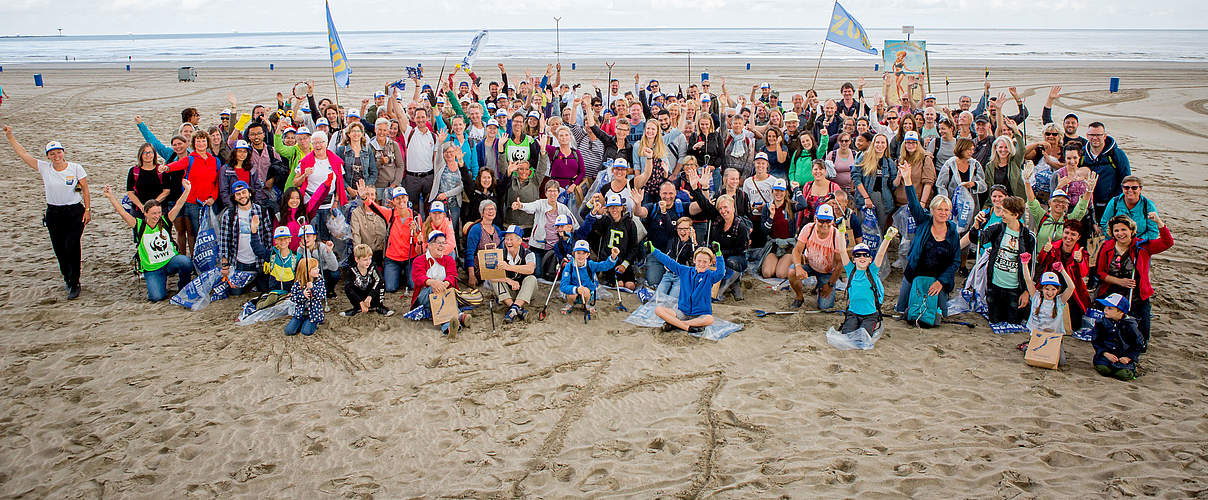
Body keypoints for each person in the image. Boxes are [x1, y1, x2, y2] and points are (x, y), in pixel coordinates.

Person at [4, 126, 91, 299]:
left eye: (58, 152)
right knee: (59, 248)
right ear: (48, 156)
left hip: (74, 212)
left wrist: (87, 210)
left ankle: (75, 282)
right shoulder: (45, 168)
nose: (56, 156)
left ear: (63, 152)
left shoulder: (75, 168)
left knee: (72, 245)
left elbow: (85, 189)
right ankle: (67, 277)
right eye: (52, 154)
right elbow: (23, 154)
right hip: (54, 213)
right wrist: (10, 136)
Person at [101, 181, 194, 302]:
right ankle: (159, 280)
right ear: (145, 213)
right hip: (152, 267)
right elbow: (122, 212)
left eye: (159, 213)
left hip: (169, 261)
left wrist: (187, 190)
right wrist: (110, 197)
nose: (157, 216)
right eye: (153, 213)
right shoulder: (139, 225)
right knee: (156, 297)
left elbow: (178, 205)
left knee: (186, 262)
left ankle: (183, 287)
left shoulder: (165, 221)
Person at [1096, 213, 1172, 344]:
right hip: (1112, 293)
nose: (1120, 234)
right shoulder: (1107, 247)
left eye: (1124, 229)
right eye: (1116, 230)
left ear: (1131, 230)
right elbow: (1100, 272)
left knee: (1140, 339)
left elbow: (1167, 242)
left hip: (1137, 295)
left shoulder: (1142, 246)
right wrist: (1119, 281)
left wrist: (1159, 222)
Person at [895, 166, 960, 318]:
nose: (943, 213)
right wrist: (908, 179)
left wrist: (941, 282)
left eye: (946, 210)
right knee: (901, 310)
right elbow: (913, 204)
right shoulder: (923, 222)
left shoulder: (952, 232)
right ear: (932, 210)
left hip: (937, 277)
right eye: (940, 209)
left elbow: (955, 262)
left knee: (941, 314)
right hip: (915, 273)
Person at [972, 196, 1034, 325]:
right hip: (995, 286)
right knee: (994, 321)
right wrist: (976, 226)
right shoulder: (997, 228)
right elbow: (978, 240)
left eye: (1005, 212)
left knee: (1013, 323)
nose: (1001, 214)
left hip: (1014, 289)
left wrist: (1026, 291)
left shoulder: (1028, 237)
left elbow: (1031, 267)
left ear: (1016, 215)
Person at [646, 241, 725, 334]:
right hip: (682, 312)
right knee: (658, 309)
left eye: (705, 262)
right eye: (699, 261)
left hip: (699, 315)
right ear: (694, 260)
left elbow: (720, 273)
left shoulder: (710, 276)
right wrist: (654, 250)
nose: (701, 264)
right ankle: (687, 327)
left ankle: (677, 324)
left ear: (710, 263)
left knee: (710, 319)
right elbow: (669, 261)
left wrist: (719, 254)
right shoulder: (685, 271)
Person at [165, 131, 222, 255]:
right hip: (193, 203)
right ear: (194, 144)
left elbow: (217, 183)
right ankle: (197, 260)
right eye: (198, 141)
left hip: (210, 203)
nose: (201, 144)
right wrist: (166, 168)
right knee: (197, 234)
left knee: (212, 233)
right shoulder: (190, 159)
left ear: (207, 143)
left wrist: (213, 197)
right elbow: (177, 165)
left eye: (203, 141)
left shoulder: (215, 161)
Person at [217, 180, 273, 294]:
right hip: (239, 262)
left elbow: (268, 236)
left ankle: (255, 284)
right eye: (238, 194)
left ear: (250, 193)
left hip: (259, 262)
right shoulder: (229, 215)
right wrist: (225, 264)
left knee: (265, 290)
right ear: (234, 197)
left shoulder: (261, 211)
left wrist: (269, 258)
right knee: (235, 293)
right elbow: (224, 241)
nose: (242, 196)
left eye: (244, 192)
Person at [1035, 220, 1092, 330]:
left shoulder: (1081, 253)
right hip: (1052, 287)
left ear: (1079, 237)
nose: (1069, 237)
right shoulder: (1053, 247)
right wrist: (1045, 251)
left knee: (1074, 324)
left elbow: (1084, 273)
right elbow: (1041, 262)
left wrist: (1080, 261)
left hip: (1072, 292)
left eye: (1073, 234)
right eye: (1066, 233)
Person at [411, 230, 469, 336]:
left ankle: (449, 326)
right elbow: (418, 277)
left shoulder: (449, 260)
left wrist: (444, 284)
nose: (441, 246)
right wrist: (432, 283)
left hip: (445, 292)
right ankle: (459, 316)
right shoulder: (419, 260)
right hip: (425, 294)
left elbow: (453, 276)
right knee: (436, 292)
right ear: (429, 244)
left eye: (443, 243)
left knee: (445, 293)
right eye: (438, 243)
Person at [788, 204, 846, 309]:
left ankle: (820, 285)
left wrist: (830, 284)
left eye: (828, 221)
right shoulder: (808, 229)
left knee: (825, 307)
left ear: (833, 221)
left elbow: (839, 264)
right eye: (821, 221)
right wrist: (798, 266)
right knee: (792, 272)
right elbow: (797, 250)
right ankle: (799, 297)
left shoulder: (837, 236)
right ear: (815, 219)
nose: (825, 224)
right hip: (810, 264)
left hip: (827, 271)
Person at [837, 233, 895, 336]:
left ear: (870, 259)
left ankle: (874, 324)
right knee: (847, 335)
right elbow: (842, 251)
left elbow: (880, 254)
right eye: (858, 255)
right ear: (853, 260)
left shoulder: (872, 271)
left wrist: (887, 238)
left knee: (863, 337)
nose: (862, 257)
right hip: (853, 313)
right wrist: (841, 232)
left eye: (865, 255)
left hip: (870, 315)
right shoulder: (851, 270)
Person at [368, 186, 422, 293]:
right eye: (398, 198)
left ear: (407, 198)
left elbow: (419, 243)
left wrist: (415, 232)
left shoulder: (416, 216)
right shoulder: (390, 214)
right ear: (393, 201)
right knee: (390, 288)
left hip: (410, 258)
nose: (401, 201)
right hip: (392, 258)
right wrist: (365, 198)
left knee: (413, 285)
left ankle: (404, 274)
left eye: (403, 197)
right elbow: (375, 208)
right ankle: (399, 275)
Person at [584, 192, 641, 291]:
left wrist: (625, 264)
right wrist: (591, 204)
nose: (614, 209)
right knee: (619, 284)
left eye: (616, 206)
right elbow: (584, 215)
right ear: (607, 209)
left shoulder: (630, 224)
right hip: (608, 261)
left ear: (622, 207)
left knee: (630, 286)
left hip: (623, 262)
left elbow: (634, 247)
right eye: (611, 207)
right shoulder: (605, 221)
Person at [1091, 293, 1145, 381]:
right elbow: (1096, 341)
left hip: (1123, 358)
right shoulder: (1101, 322)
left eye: (1110, 308)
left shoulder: (1130, 325)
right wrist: (1105, 353)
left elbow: (1138, 344)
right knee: (1103, 369)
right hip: (1106, 356)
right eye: (1105, 307)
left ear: (1120, 311)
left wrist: (1128, 358)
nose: (1105, 310)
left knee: (1123, 375)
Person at [1082, 122, 1130, 219]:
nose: (1095, 138)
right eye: (1092, 135)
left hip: (1111, 205)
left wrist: (1115, 201)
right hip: (1089, 205)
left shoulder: (1116, 154)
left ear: (1104, 136)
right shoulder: (1082, 155)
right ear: (1087, 136)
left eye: (1098, 135)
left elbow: (1126, 180)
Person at [558, 240, 619, 315]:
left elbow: (605, 266)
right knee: (572, 294)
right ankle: (570, 304)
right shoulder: (569, 266)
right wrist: (576, 289)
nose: (581, 256)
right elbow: (563, 286)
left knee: (586, 290)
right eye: (578, 253)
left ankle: (586, 305)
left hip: (587, 293)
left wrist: (613, 257)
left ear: (588, 255)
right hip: (573, 293)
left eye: (584, 253)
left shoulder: (591, 265)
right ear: (574, 254)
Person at [852, 134, 898, 232]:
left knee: (880, 230)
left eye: (882, 143)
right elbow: (856, 177)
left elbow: (892, 185)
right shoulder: (864, 157)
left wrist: (900, 175)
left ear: (886, 145)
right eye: (877, 142)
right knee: (864, 229)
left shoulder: (889, 162)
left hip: (883, 199)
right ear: (873, 144)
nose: (879, 145)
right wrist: (866, 197)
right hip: (865, 197)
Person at [493, 225, 539, 323]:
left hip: (526, 292)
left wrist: (508, 267)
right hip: (510, 292)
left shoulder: (528, 253)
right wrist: (509, 281)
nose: (508, 242)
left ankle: (513, 309)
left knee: (531, 278)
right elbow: (491, 275)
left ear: (519, 241)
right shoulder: (500, 254)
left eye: (511, 239)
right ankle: (515, 309)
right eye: (506, 239)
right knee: (495, 279)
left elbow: (530, 269)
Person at [1022, 267, 1076, 343]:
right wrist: (1024, 263)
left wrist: (1062, 270)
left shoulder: (1059, 301)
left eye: (1053, 289)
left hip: (1054, 339)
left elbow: (1071, 287)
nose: (1050, 293)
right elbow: (1028, 280)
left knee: (1058, 355)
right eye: (1047, 289)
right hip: (1036, 337)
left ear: (1057, 290)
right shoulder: (1036, 297)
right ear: (1042, 289)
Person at [1099, 176, 1160, 242]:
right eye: (1126, 187)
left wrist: (1136, 242)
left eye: (1134, 188)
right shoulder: (1114, 202)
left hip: (1139, 244)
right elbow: (1104, 224)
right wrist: (1118, 239)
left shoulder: (1148, 205)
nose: (1130, 190)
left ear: (1140, 189)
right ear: (1122, 188)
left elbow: (1153, 231)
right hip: (1116, 242)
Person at [341, 243, 393, 317]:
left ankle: (379, 306)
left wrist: (370, 297)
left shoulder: (372, 266)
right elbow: (349, 287)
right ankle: (357, 308)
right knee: (348, 287)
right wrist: (360, 302)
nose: (368, 262)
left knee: (381, 283)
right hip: (359, 294)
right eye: (365, 259)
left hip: (371, 292)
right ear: (357, 259)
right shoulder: (352, 269)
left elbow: (379, 280)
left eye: (370, 258)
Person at [285, 257, 325, 336]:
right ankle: (301, 322)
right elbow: (293, 297)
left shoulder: (319, 281)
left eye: (317, 268)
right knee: (289, 331)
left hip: (313, 314)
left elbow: (321, 295)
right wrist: (302, 295)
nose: (318, 270)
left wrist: (313, 288)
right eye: (314, 269)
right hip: (300, 313)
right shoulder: (298, 283)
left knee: (306, 332)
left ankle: (313, 322)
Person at [297, 225, 339, 295]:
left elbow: (334, 267)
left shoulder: (322, 247)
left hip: (324, 272)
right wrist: (306, 250)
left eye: (308, 236)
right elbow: (308, 267)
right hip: (310, 274)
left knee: (335, 274)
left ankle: (329, 289)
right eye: (302, 237)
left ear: (314, 237)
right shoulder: (300, 249)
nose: (305, 239)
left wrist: (329, 252)